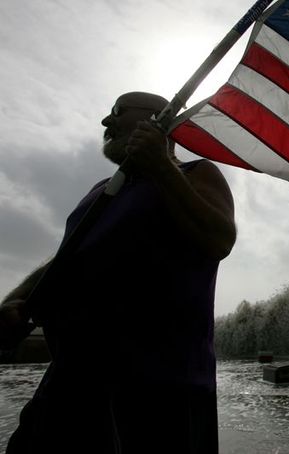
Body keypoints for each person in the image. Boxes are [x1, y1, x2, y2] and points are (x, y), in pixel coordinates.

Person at [0, 92, 237, 453]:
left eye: (118, 112)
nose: (106, 122)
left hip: (160, 387)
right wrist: (19, 299)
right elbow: (67, 258)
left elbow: (219, 239)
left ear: (159, 120)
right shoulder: (99, 192)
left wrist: (160, 165)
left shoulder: (197, 173)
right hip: (70, 383)